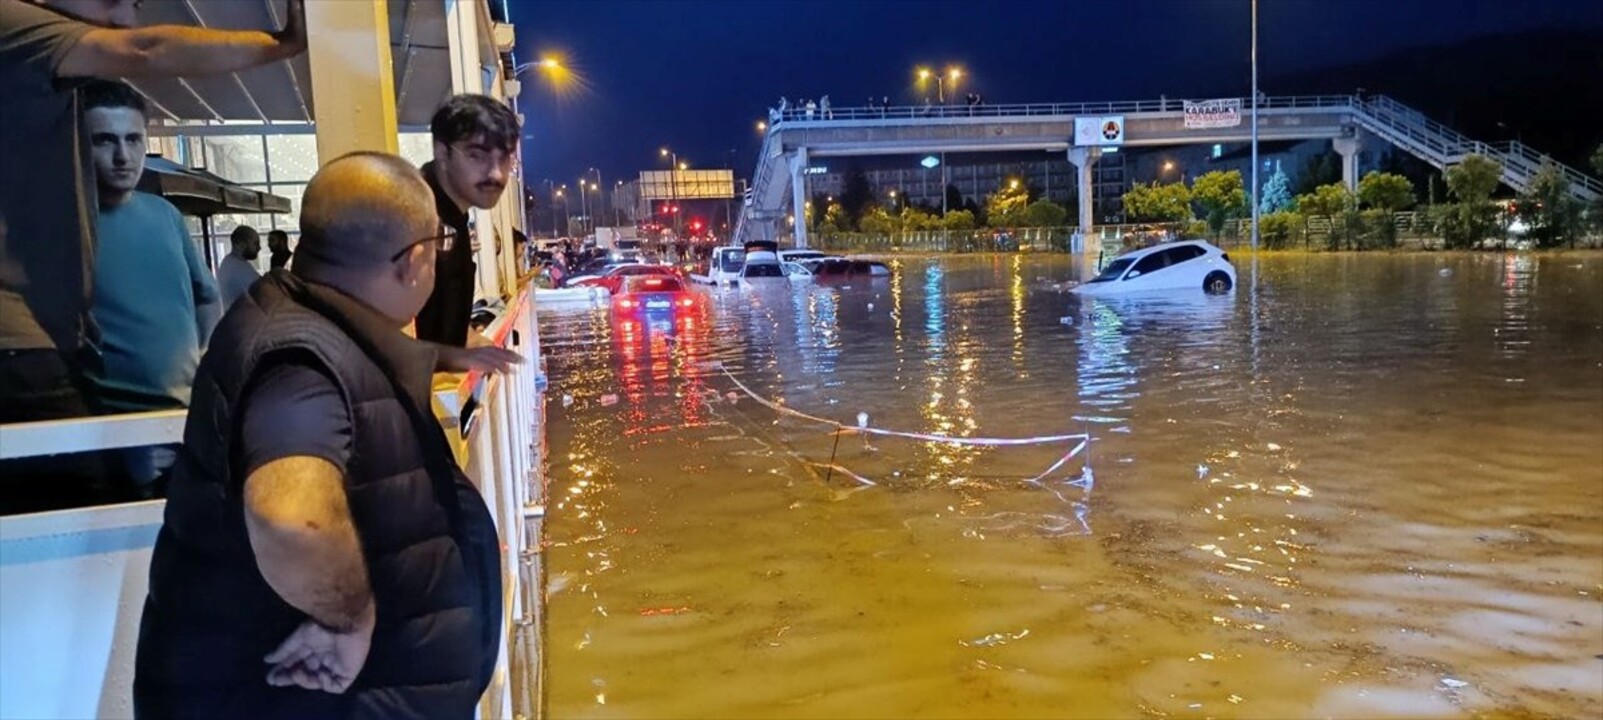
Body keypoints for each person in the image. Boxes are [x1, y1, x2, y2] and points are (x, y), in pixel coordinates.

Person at [135, 151, 518, 718]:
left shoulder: (306, 327)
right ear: (413, 261)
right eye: (436, 250)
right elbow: (291, 514)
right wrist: (348, 616)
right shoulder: (300, 361)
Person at [0, 0, 306, 514]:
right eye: (116, 0)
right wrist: (283, 45)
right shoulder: (13, 25)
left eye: (133, 140)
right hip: (24, 352)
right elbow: (144, 50)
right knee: (91, 521)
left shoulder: (159, 216)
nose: (126, 18)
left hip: (52, 349)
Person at [81, 79, 219, 498]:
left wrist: (208, 364)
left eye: (133, 139)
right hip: (114, 433)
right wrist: (114, 443)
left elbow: (207, 299)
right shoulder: (65, 229)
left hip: (188, 423)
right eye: (104, 141)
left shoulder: (165, 214)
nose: (123, 156)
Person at [414, 94, 519, 347]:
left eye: (504, 158)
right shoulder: (415, 216)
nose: (495, 173)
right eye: (477, 155)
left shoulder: (452, 216)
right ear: (442, 152)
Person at [217, 224, 262, 308]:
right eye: (255, 243)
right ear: (240, 245)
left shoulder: (231, 262)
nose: (259, 248)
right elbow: (262, 290)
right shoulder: (236, 267)